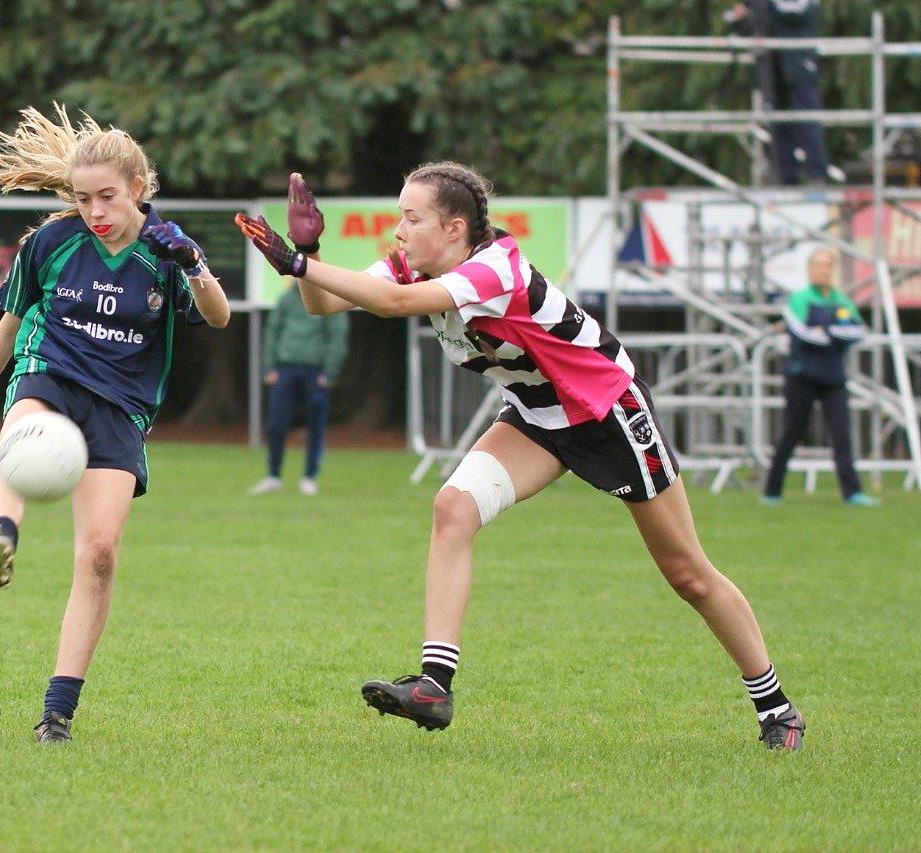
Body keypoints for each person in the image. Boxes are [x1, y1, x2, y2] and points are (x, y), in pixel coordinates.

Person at [236, 165, 805, 750]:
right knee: (452, 508)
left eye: (412, 218)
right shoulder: (417, 264)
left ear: (455, 228)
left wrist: (296, 262)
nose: (398, 230)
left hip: (606, 412)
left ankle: (776, 707)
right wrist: (306, 250)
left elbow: (391, 304)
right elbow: (323, 305)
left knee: (688, 575)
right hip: (538, 415)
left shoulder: (492, 267)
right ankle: (434, 686)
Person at [0, 105, 230, 743]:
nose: (94, 211)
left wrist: (194, 262)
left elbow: (216, 317)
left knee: (101, 555)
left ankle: (57, 712)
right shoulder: (51, 243)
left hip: (121, 405)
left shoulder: (166, 249)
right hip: (48, 373)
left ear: (138, 187)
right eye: (82, 198)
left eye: (106, 196)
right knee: (17, 453)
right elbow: (6, 332)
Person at [250, 177, 348, 497]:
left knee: (314, 427)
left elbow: (336, 333)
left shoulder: (328, 293)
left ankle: (309, 476)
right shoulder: (285, 298)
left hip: (314, 370)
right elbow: (273, 332)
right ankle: (274, 474)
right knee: (277, 424)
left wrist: (329, 371)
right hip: (286, 368)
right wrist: (270, 366)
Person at [763, 248, 876, 506]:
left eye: (827, 265)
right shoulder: (799, 299)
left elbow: (858, 331)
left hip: (833, 377)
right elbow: (804, 332)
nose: (823, 270)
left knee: (842, 433)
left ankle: (852, 492)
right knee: (792, 431)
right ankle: (772, 491)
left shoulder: (841, 300)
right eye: (818, 265)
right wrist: (835, 332)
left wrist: (827, 331)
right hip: (801, 375)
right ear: (810, 269)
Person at [725, 0, 835, 185]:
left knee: (807, 117)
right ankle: (786, 175)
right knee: (778, 122)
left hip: (800, 63)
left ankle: (816, 173)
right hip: (772, 67)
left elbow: (797, 12)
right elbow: (749, 26)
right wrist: (738, 17)